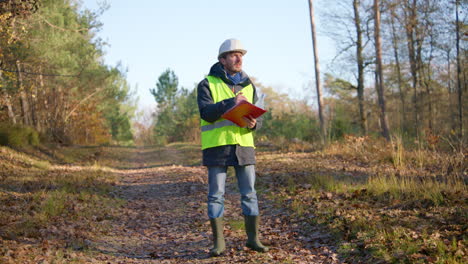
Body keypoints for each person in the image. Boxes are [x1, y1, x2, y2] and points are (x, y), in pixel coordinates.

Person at [197, 38, 269, 257]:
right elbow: (206, 113)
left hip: (244, 148)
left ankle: (253, 239)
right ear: (222, 60)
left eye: (241, 55)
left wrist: (255, 123)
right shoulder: (206, 84)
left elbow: (259, 115)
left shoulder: (250, 86)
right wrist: (231, 103)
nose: (239, 58)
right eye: (233, 55)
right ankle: (219, 243)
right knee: (216, 196)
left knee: (250, 194)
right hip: (217, 148)